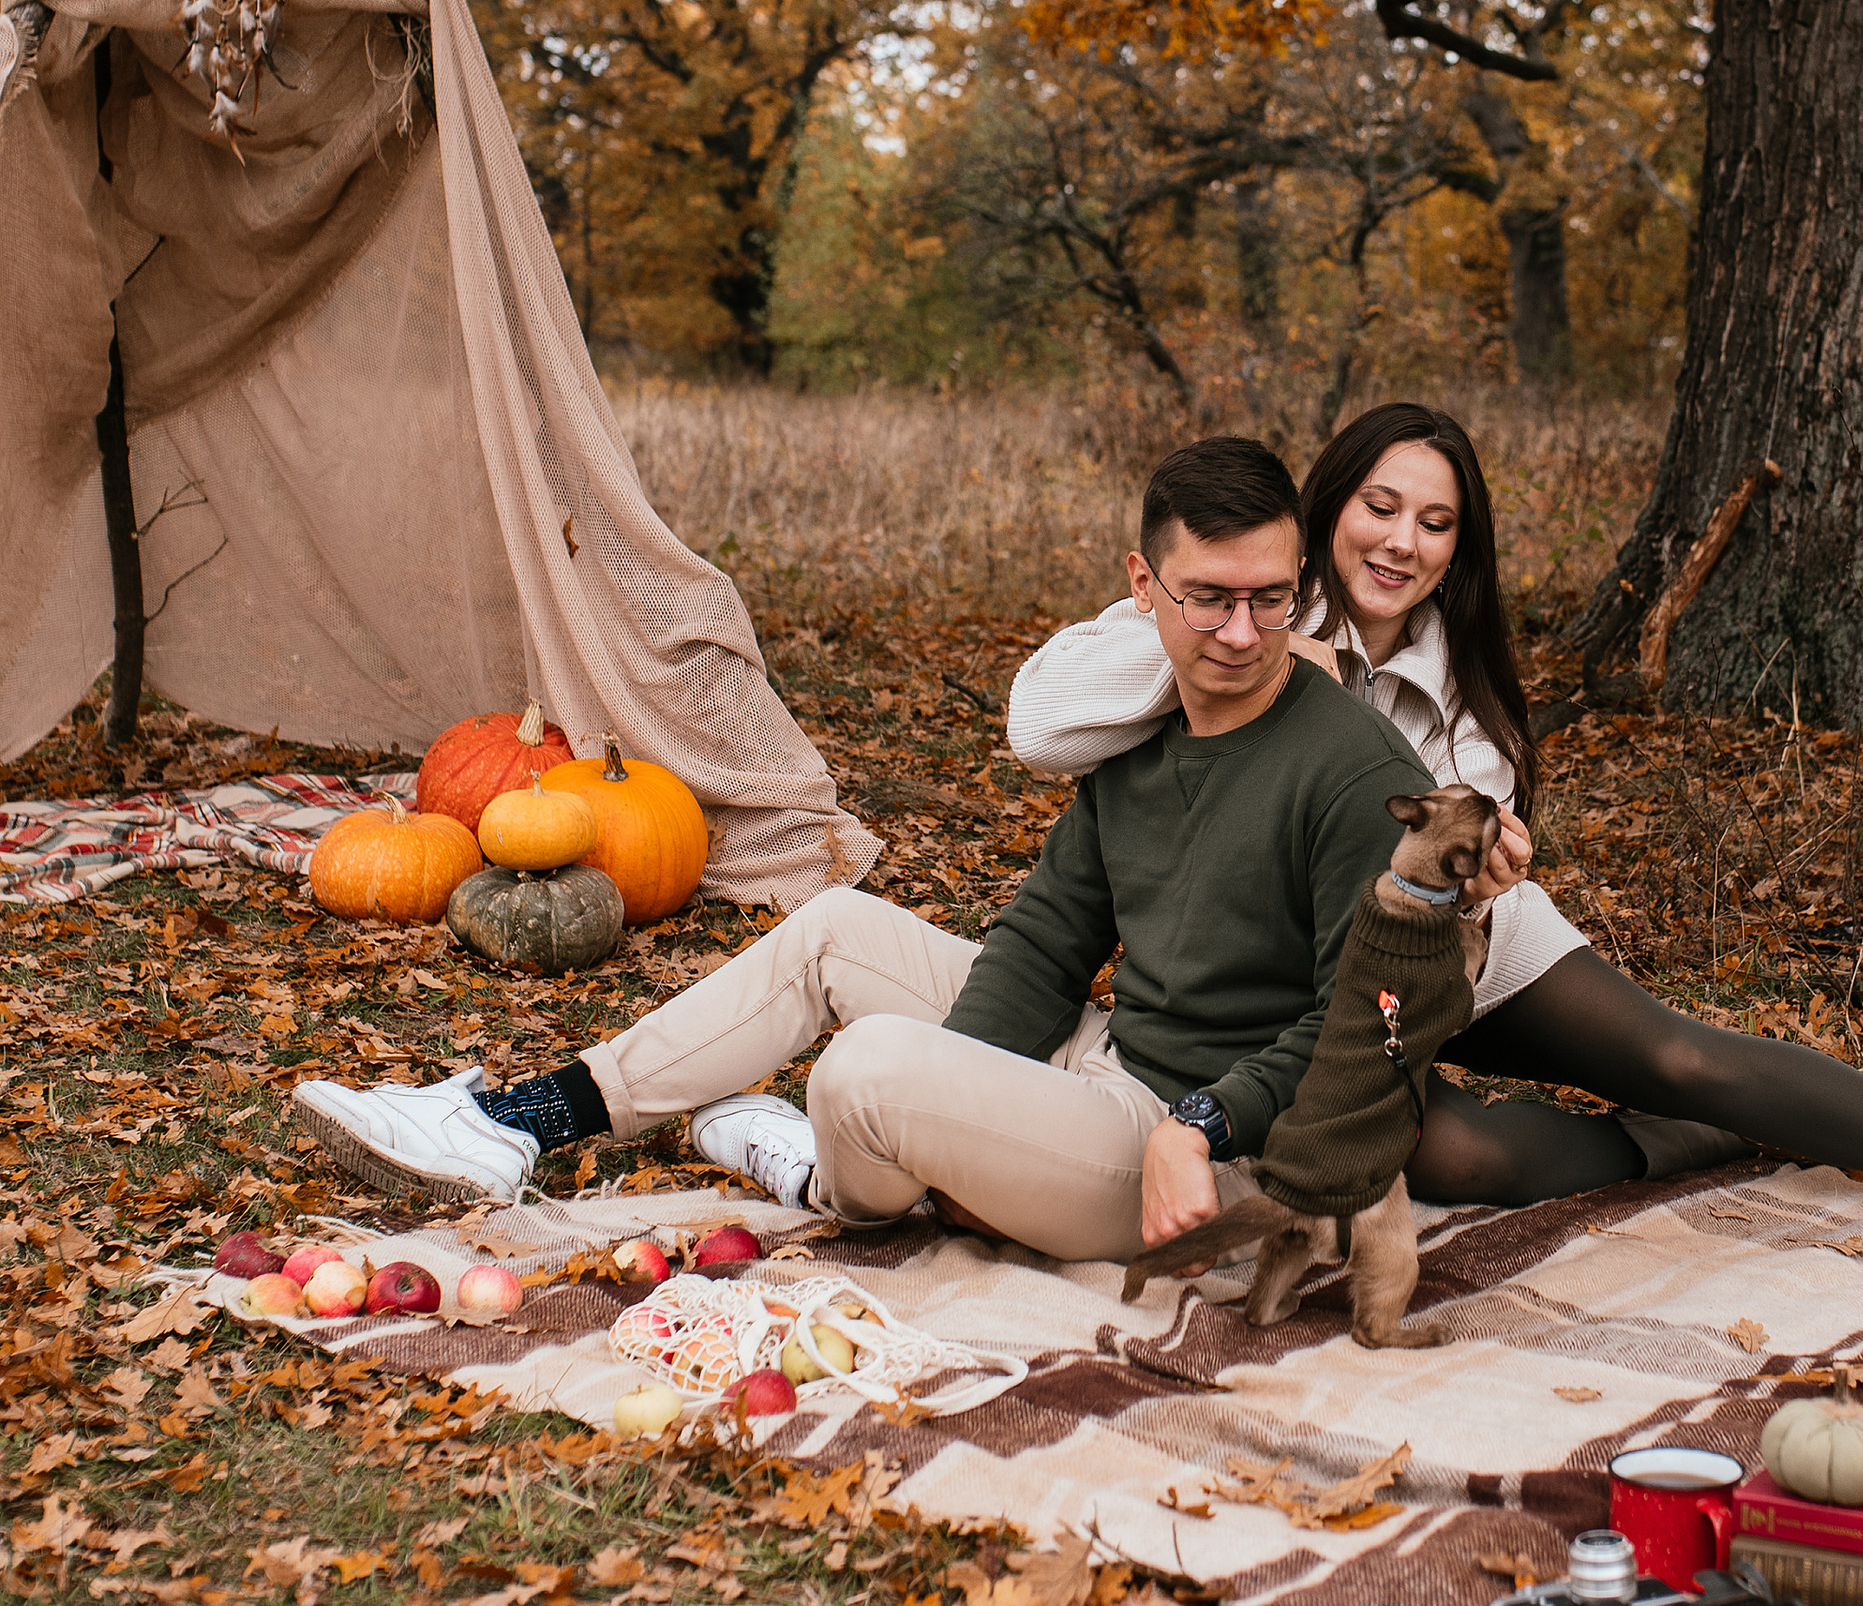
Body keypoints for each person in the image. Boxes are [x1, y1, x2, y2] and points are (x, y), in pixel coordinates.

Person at [292, 436, 1514, 1264]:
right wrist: (967, 1088)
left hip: (1198, 1151)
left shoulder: (1356, 772)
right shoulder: (1140, 739)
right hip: (1105, 1065)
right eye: (1208, 596)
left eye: (1270, 599)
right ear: (1143, 585)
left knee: (870, 1069)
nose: (1242, 632)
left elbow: (1357, 1017)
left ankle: (830, 1168)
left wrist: (1194, 1120)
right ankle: (518, 1122)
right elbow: (1046, 937)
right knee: (834, 934)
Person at [1006, 399, 1863, 1256]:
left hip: (1461, 960)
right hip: (1309, 985)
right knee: (1447, 1158)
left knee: (1682, 1054)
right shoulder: (1227, 602)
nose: (1401, 542)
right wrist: (1271, 655)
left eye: (1435, 521)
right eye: (1378, 506)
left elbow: (1440, 875)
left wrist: (1475, 866)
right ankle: (1666, 1145)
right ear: (1325, 514)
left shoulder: (1458, 696)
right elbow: (1040, 724)